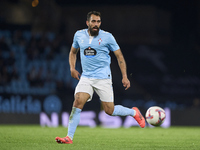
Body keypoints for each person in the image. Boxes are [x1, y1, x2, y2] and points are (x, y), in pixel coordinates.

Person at [55, 11, 145, 144]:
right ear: (87, 23)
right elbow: (73, 52)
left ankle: (133, 112)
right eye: (93, 21)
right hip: (86, 77)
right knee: (78, 101)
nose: (96, 24)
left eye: (98, 22)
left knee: (110, 110)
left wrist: (124, 76)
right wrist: (72, 68)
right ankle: (69, 137)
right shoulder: (79, 35)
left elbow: (119, 56)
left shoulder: (107, 37)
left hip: (103, 78)